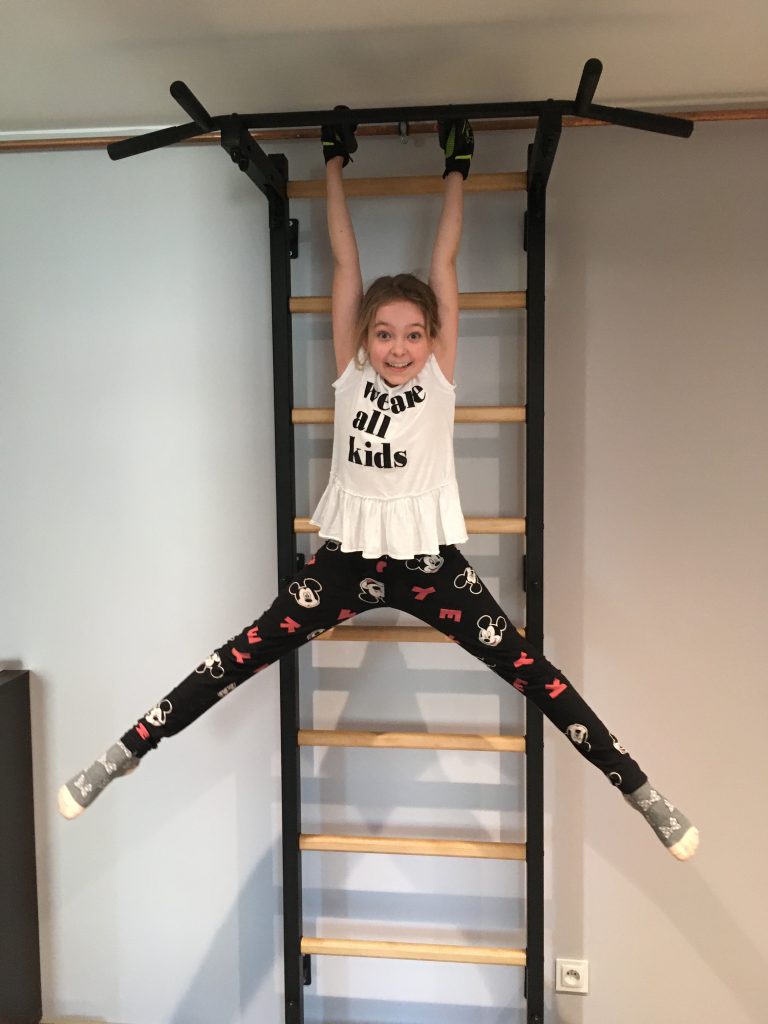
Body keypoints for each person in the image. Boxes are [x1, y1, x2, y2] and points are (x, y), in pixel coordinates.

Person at [59, 117, 698, 861]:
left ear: (432, 339)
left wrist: (457, 169)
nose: (398, 347)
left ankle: (642, 791)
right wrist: (333, 166)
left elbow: (445, 261)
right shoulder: (351, 372)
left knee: (533, 671)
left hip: (430, 564)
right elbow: (345, 263)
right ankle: (126, 750)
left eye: (414, 333)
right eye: (385, 333)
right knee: (239, 655)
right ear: (364, 337)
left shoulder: (440, 378)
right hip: (344, 560)